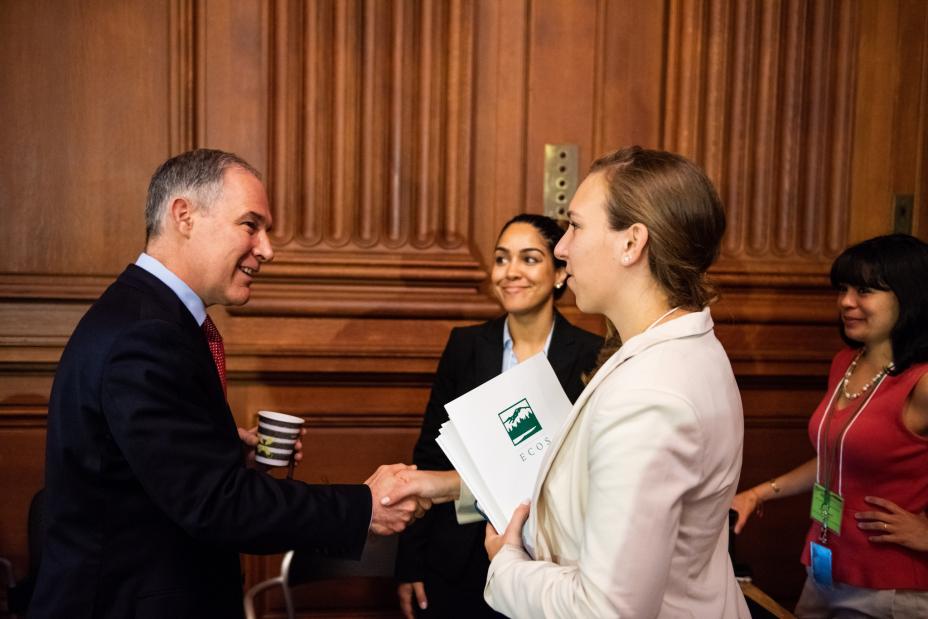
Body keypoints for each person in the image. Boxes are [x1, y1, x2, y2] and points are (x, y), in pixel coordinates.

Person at [30, 149, 423, 619]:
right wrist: (363, 507)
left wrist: (221, 447)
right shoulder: (146, 334)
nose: (267, 249)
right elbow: (214, 503)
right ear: (184, 216)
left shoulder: (149, 316)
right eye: (250, 225)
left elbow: (154, 468)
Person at [390, 146, 750, 617]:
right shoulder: (684, 348)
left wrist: (507, 563)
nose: (562, 248)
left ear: (631, 242)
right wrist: (443, 487)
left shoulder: (649, 395)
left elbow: (606, 610)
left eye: (576, 227)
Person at [393, 214, 602, 618]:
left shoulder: (592, 355)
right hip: (460, 553)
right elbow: (431, 456)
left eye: (529, 259)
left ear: (560, 273)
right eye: (502, 259)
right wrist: (410, 563)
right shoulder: (465, 346)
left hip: (550, 560)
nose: (511, 273)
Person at [732, 234, 928, 617]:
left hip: (890, 589)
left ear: (910, 296)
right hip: (825, 567)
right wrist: (759, 493)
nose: (846, 302)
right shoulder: (845, 363)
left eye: (865, 290)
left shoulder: (921, 381)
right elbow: (835, 456)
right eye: (843, 289)